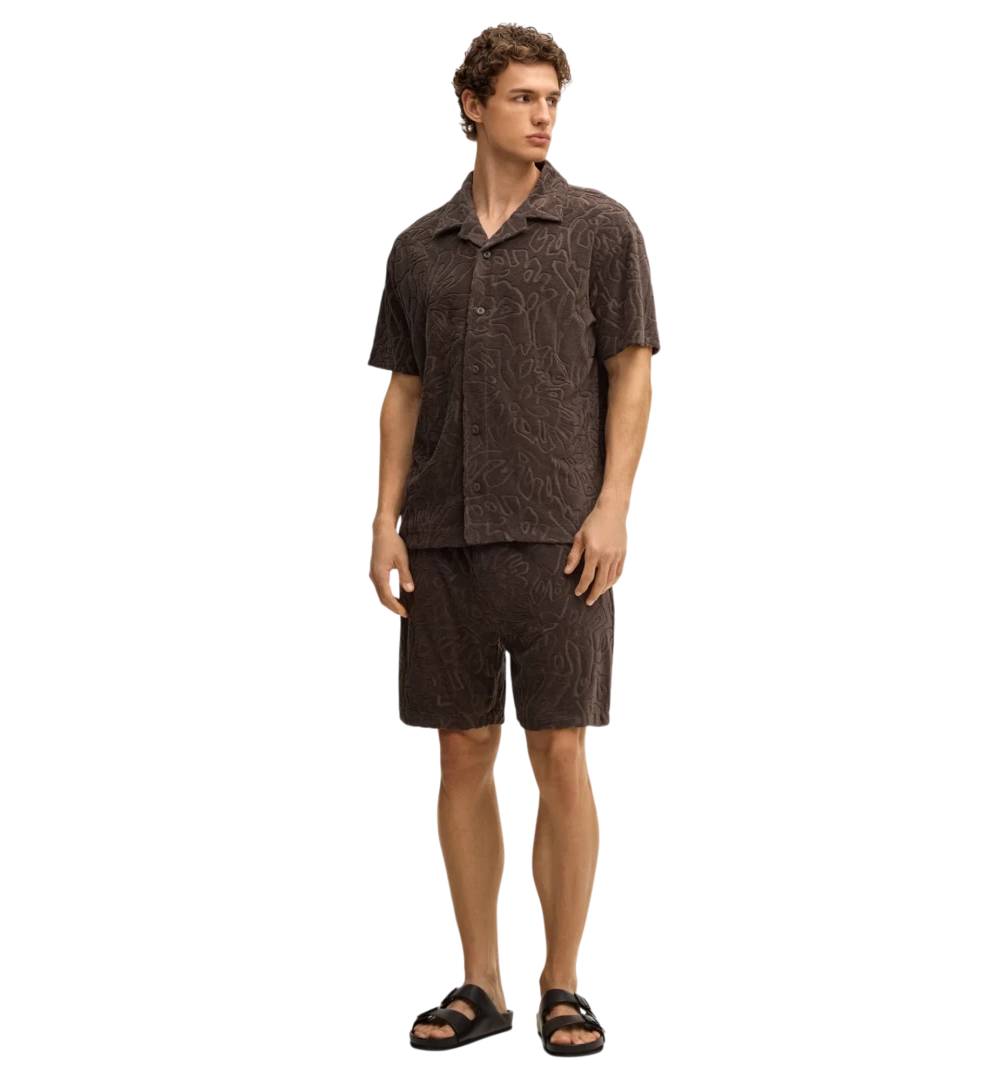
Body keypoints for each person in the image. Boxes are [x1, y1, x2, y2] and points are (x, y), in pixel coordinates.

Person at [366, 23, 660, 1056]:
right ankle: (481, 985)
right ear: (473, 106)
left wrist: (615, 503)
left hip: (559, 532)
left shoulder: (600, 229)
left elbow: (632, 367)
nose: (544, 117)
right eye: (525, 98)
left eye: (553, 101)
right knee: (462, 750)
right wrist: (383, 520)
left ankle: (565, 984)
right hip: (443, 535)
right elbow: (402, 391)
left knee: (561, 748)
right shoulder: (419, 248)